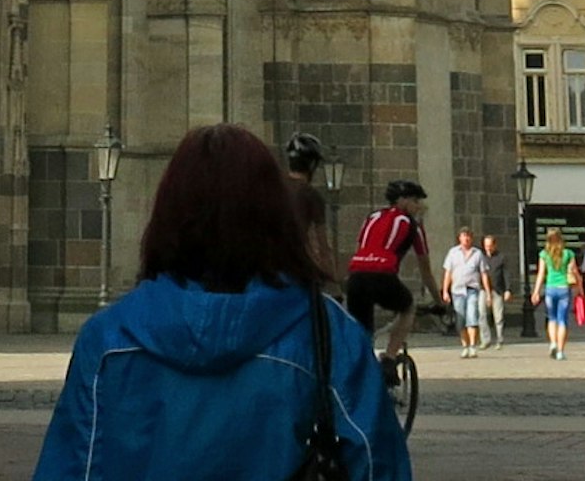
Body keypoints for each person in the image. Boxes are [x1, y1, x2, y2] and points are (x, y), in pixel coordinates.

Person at [33, 123, 412, 481]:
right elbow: (377, 462)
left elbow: (72, 466)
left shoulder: (107, 339)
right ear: (273, 215)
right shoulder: (328, 334)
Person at [343, 176, 433, 356]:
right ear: (403, 200)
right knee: (407, 307)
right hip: (382, 277)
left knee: (362, 331)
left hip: (356, 277)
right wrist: (439, 303)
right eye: (415, 201)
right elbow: (425, 270)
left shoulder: (372, 217)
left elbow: (360, 249)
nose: (418, 206)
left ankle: (360, 366)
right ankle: (390, 358)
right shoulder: (412, 225)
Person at [281, 132, 334, 275]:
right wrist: (334, 285)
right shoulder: (311, 195)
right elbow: (321, 245)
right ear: (312, 164)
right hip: (293, 267)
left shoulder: (271, 186)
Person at [532, 229, 583, 358]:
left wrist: (536, 291)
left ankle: (553, 343)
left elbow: (541, 274)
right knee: (562, 320)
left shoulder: (544, 254)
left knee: (551, 318)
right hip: (564, 289)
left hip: (550, 288)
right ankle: (560, 351)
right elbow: (575, 272)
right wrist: (579, 288)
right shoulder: (568, 254)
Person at [440, 229, 488, 352]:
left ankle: (472, 346)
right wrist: (445, 290)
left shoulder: (477, 253)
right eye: (464, 236)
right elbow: (448, 273)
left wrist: (487, 291)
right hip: (457, 291)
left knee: (472, 317)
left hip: (472, 289)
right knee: (460, 319)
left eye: (468, 237)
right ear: (459, 238)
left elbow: (483, 273)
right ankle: (465, 345)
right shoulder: (453, 253)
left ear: (471, 238)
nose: (466, 239)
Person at [476, 231, 506, 347]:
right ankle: (485, 339)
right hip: (483, 289)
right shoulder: (481, 257)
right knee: (481, 314)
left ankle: (499, 339)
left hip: (497, 290)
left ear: (494, 245)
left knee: (498, 316)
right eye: (486, 245)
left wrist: (507, 289)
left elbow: (506, 274)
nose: (488, 248)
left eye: (490, 245)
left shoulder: (501, 258)